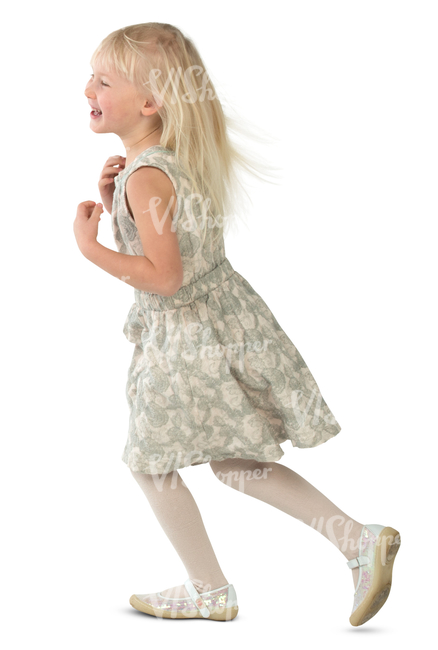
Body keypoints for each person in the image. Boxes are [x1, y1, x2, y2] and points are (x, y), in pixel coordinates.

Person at [75, 22, 401, 626]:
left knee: (149, 461)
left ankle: (208, 589)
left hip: (184, 340)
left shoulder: (147, 174)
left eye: (102, 79)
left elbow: (166, 276)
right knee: (232, 460)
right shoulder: (167, 163)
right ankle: (356, 539)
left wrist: (91, 247)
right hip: (221, 324)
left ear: (150, 102)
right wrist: (118, 199)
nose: (85, 88)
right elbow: (179, 243)